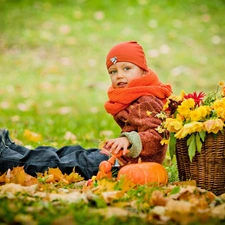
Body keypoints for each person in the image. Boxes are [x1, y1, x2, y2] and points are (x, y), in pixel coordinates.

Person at [0, 41, 172, 180]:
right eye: (113, 71)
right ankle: (13, 149)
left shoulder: (148, 99)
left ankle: (6, 160)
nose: (119, 75)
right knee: (70, 151)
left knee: (65, 163)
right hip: (116, 158)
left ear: (143, 71)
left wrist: (129, 141)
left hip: (124, 166)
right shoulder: (136, 95)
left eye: (127, 68)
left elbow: (158, 135)